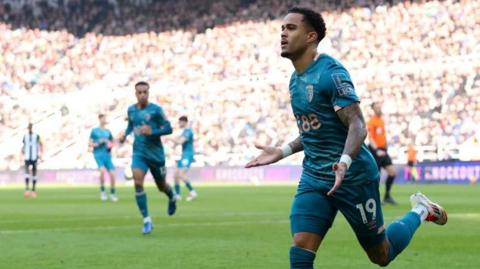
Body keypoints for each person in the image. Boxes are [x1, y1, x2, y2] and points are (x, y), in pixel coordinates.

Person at [245, 7, 447, 269]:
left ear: (311, 36)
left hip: (353, 178)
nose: (283, 33)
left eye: (291, 28)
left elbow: (358, 126)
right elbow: (315, 132)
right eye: (282, 28)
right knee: (301, 245)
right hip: (315, 177)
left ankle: (422, 210)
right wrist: (283, 151)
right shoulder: (295, 80)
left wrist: (344, 162)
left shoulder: (331, 73)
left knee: (381, 255)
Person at [119, 81, 177, 235]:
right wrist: (124, 135)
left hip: (156, 155)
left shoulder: (156, 110)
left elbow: (169, 128)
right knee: (138, 182)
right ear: (135, 93)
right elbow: (131, 126)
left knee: (161, 186)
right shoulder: (131, 110)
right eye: (139, 92)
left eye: (145, 92)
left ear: (149, 93)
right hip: (139, 153)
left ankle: (171, 197)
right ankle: (146, 220)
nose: (142, 95)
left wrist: (153, 132)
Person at [367, 102, 398, 204]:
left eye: (380, 107)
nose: (379, 109)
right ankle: (374, 198)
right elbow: (370, 138)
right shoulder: (372, 121)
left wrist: (385, 146)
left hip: (383, 151)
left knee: (392, 172)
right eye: (377, 107)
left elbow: (381, 136)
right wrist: (377, 150)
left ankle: (387, 196)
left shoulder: (381, 120)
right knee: (376, 176)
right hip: (375, 151)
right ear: (373, 109)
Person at [89, 113, 118, 202]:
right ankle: (103, 192)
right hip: (98, 154)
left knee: (113, 174)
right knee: (101, 171)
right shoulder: (94, 131)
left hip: (107, 155)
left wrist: (110, 146)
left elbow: (112, 142)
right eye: (103, 118)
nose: (105, 120)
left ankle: (112, 193)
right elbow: (90, 143)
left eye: (105, 118)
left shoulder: (108, 132)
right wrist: (97, 143)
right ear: (100, 119)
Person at [173, 116, 198, 202]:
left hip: (188, 155)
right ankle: (177, 195)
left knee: (181, 174)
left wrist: (170, 138)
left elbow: (180, 141)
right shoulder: (184, 131)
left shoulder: (188, 131)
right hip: (183, 155)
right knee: (176, 175)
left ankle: (192, 191)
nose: (179, 124)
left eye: (180, 122)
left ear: (184, 122)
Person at [22, 123, 43, 198]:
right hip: (27, 157)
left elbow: (41, 144)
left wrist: (41, 154)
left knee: (34, 173)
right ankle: (27, 189)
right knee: (27, 173)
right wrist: (22, 153)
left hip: (34, 157)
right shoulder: (25, 136)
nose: (30, 129)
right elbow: (23, 146)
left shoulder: (37, 136)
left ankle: (33, 190)